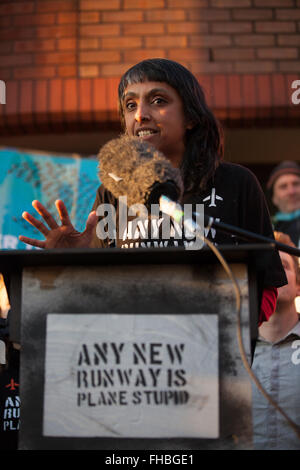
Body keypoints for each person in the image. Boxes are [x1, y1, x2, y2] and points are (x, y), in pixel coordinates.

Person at [19, 58, 287, 325]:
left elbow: (266, 290)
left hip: (213, 349)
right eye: (130, 105)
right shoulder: (112, 193)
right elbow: (94, 297)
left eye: (158, 101)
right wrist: (74, 264)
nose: (140, 115)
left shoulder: (236, 183)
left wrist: (220, 326)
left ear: (191, 116)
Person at [252, 231, 300, 450]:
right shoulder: (233, 346)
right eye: (268, 265)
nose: (275, 273)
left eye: (283, 265)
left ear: (299, 285)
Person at [267, 160, 300, 248]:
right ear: (274, 198)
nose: (291, 192)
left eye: (296, 184)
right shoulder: (266, 228)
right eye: (283, 186)